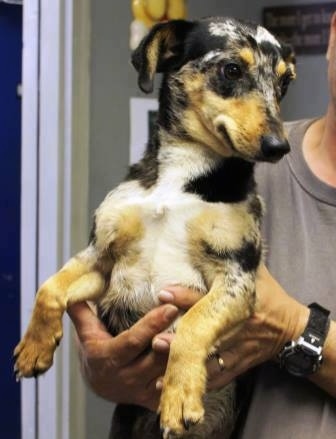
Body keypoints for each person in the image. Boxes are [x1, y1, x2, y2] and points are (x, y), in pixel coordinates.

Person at [68, 13, 336, 438]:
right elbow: (109, 360)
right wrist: (103, 365)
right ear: (334, 30)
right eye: (232, 72)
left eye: (277, 85)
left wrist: (292, 329)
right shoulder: (224, 154)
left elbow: (266, 315)